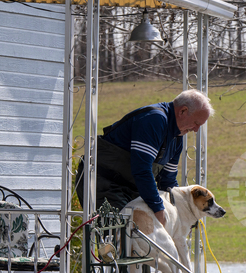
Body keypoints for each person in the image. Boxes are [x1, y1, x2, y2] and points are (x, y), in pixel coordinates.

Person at [76, 89, 213, 218]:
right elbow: (142, 169)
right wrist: (159, 209)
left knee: (143, 234)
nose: (196, 130)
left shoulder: (177, 138)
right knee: (122, 235)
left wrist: (180, 214)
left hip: (130, 187)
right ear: (183, 111)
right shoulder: (154, 120)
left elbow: (168, 181)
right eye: (196, 123)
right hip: (102, 181)